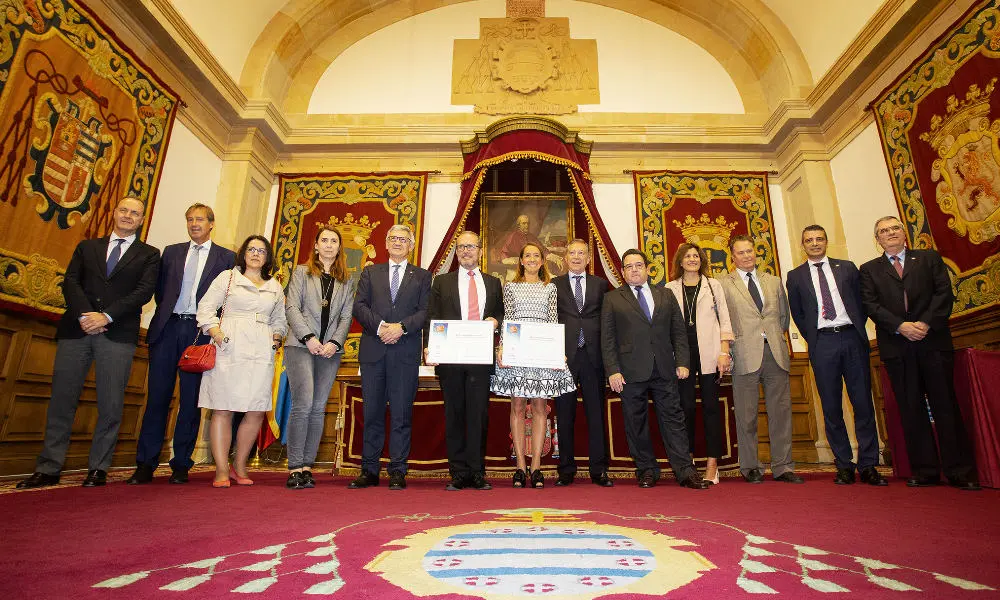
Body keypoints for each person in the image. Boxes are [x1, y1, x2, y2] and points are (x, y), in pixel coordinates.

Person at [17, 197, 160, 489]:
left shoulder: (149, 255)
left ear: (142, 219)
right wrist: (87, 315)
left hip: (117, 334)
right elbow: (71, 282)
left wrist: (106, 316)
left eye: (135, 213)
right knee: (62, 400)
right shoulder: (87, 247)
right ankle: (49, 467)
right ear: (114, 212)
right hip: (77, 330)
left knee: (110, 404)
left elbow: (143, 292)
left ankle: (98, 468)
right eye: (124, 210)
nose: (128, 216)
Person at [859, 216, 979, 490]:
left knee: (945, 404)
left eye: (894, 228)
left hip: (932, 340)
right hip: (897, 345)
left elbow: (943, 293)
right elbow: (870, 304)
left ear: (904, 233)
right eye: (883, 231)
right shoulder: (869, 270)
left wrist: (924, 323)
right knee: (911, 408)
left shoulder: (928, 258)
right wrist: (900, 326)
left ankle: (959, 471)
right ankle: (925, 470)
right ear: (877, 239)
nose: (890, 234)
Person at [127, 203, 235, 486]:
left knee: (191, 401)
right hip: (168, 328)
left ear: (211, 224)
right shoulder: (172, 252)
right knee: (157, 398)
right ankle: (145, 463)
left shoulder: (226, 257)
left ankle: (181, 464)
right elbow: (162, 290)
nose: (194, 224)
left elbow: (227, 298)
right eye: (190, 219)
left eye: (200, 219)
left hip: (199, 333)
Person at [601, 249, 710, 490]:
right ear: (622, 272)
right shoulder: (612, 299)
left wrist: (683, 362)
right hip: (629, 372)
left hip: (664, 369)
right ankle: (647, 470)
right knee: (635, 423)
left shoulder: (666, 295)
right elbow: (607, 339)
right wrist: (612, 371)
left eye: (638, 265)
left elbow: (678, 332)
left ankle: (685, 471)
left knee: (674, 420)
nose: (634, 270)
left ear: (648, 268)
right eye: (629, 267)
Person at [787, 225, 886, 486]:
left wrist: (852, 327)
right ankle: (843, 464)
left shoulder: (848, 268)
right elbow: (798, 314)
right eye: (809, 240)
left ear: (826, 242)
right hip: (822, 343)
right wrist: (816, 338)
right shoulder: (795, 276)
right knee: (831, 407)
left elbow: (861, 303)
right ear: (803, 245)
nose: (815, 243)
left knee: (863, 403)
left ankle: (868, 464)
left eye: (819, 239)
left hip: (852, 338)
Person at [197, 235, 287, 488]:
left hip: (262, 346)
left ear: (268, 257)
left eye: (261, 250)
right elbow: (205, 308)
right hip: (229, 343)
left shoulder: (275, 286)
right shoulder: (227, 278)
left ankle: (240, 465)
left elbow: (279, 319)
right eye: (251, 249)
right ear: (243, 253)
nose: (256, 254)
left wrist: (276, 339)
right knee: (223, 407)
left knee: (256, 409)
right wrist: (217, 334)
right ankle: (221, 469)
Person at [350, 224, 431, 491]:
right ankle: (369, 469)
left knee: (401, 414)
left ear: (411, 244)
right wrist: (382, 326)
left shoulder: (422, 276)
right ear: (386, 243)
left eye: (403, 239)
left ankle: (398, 470)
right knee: (371, 412)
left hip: (405, 352)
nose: (398, 242)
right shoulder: (370, 272)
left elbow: (425, 311)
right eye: (393, 238)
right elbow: (359, 306)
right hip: (374, 350)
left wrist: (402, 328)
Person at [719, 235, 803, 484]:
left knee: (781, 412)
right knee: (746, 415)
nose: (747, 256)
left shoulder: (774, 281)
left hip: (775, 353)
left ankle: (783, 466)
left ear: (756, 253)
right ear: (732, 256)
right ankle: (751, 466)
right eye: (741, 253)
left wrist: (774, 337)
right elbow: (723, 321)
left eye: (750, 251)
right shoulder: (723, 284)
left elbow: (783, 318)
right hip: (743, 354)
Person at [491, 243, 576, 489]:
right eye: (526, 255)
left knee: (540, 407)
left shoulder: (549, 288)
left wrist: (557, 352)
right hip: (517, 351)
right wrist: (502, 348)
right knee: (517, 406)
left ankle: (536, 466)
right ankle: (520, 466)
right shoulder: (511, 287)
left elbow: (552, 321)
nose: (531, 259)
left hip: (540, 351)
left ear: (541, 261)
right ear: (521, 260)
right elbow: (508, 319)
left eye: (535, 256)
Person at [424, 231, 503, 491]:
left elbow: (500, 314)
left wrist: (496, 320)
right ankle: (458, 473)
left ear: (480, 250)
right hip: (450, 360)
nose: (466, 251)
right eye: (461, 247)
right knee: (454, 414)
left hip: (480, 360)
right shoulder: (442, 282)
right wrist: (428, 348)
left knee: (479, 416)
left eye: (471, 247)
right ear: (456, 252)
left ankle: (477, 472)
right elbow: (432, 317)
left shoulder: (493, 283)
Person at [283, 226, 356, 490]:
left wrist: (334, 342)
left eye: (333, 241)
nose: (328, 245)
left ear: (339, 248)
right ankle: (294, 467)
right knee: (302, 404)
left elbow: (346, 316)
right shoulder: (301, 273)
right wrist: (309, 338)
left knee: (318, 407)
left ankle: (307, 466)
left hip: (329, 351)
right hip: (301, 346)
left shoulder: (346, 280)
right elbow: (291, 307)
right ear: (315, 246)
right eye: (323, 240)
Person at [665, 243, 733, 485]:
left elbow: (724, 320)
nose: (692, 259)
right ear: (680, 261)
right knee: (685, 408)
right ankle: (688, 462)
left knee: (711, 408)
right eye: (687, 256)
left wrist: (724, 352)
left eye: (696, 256)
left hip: (710, 353)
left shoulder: (714, 286)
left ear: (701, 260)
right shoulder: (669, 288)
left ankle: (713, 464)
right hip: (681, 356)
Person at [552, 239, 613, 487]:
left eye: (581, 253)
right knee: (564, 414)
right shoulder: (554, 285)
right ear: (565, 258)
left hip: (593, 357)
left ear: (589, 258)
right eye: (572, 253)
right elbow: (550, 320)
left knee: (595, 414)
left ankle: (598, 469)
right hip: (565, 358)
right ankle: (566, 470)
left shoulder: (601, 285)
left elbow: (607, 321)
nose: (576, 257)